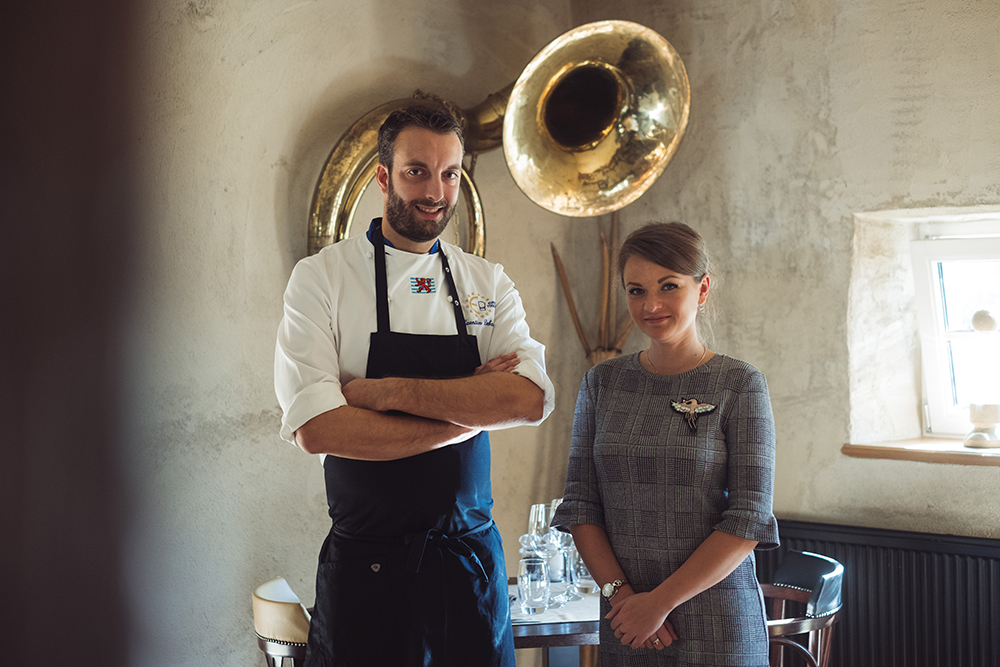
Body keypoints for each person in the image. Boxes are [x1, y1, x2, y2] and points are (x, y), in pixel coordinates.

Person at [274, 105, 555, 667]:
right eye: (416, 171)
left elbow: (527, 399)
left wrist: (382, 393)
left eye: (450, 174)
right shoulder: (322, 278)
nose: (435, 191)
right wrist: (469, 411)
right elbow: (318, 429)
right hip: (366, 572)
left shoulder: (487, 281)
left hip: (470, 570)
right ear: (384, 177)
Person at [551, 222, 778, 666]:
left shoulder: (740, 383)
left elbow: (750, 518)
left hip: (718, 624)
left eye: (668, 286)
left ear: (702, 288)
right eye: (636, 291)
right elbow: (580, 506)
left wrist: (659, 603)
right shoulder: (602, 382)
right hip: (627, 622)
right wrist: (624, 599)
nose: (650, 305)